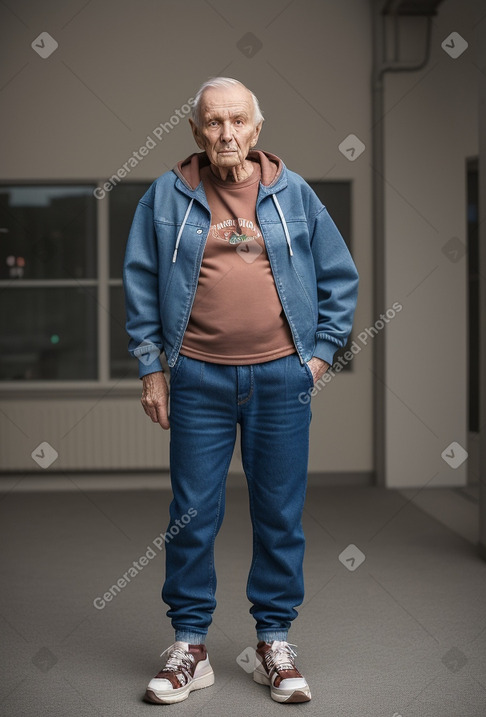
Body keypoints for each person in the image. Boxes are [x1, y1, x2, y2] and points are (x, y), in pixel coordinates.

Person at [123, 77, 358, 705]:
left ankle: (274, 642)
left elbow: (339, 275)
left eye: (238, 122)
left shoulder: (295, 193)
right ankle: (189, 645)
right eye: (213, 122)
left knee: (280, 513)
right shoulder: (167, 196)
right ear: (197, 131)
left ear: (257, 129)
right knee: (191, 515)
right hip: (196, 376)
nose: (226, 134)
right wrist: (152, 369)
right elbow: (142, 284)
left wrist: (319, 356)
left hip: (283, 378)